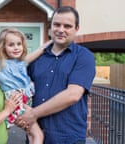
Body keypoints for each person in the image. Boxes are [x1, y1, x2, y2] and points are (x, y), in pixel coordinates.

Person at [19, 6, 96, 144]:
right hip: (37, 136)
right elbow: (14, 80)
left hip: (68, 137)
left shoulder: (84, 56)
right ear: (51, 26)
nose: (61, 30)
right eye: (57, 24)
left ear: (76, 29)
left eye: (67, 26)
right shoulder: (37, 58)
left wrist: (32, 114)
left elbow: (73, 95)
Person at [0, 28, 50, 144]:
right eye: (11, 45)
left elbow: (40, 50)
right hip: (16, 101)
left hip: (25, 100)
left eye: (19, 44)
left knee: (30, 133)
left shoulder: (22, 62)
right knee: (38, 134)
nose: (16, 47)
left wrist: (52, 41)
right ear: (3, 47)